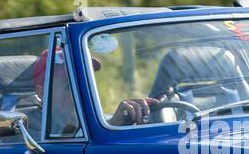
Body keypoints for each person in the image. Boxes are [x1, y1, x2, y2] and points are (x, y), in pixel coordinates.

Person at [29, 48, 157, 130]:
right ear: (42, 93)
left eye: (85, 82)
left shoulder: (99, 120)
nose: (81, 93)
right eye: (69, 86)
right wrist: (110, 127)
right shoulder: (29, 133)